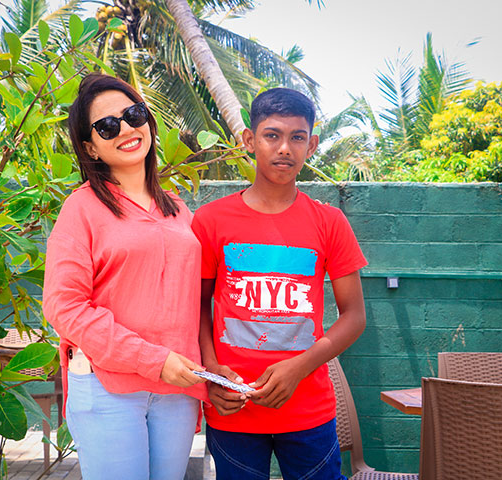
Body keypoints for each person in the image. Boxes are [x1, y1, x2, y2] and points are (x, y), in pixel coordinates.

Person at [191, 87, 368, 480]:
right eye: (272, 135)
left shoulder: (329, 222)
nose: (285, 148)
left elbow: (355, 316)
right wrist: (211, 369)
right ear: (249, 140)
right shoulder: (210, 221)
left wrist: (300, 367)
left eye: (297, 137)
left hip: (308, 410)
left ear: (312, 145)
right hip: (233, 408)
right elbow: (197, 306)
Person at [42, 73, 207, 480]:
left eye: (133, 115)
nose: (126, 129)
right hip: (108, 387)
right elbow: (64, 306)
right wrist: (153, 360)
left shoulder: (179, 211)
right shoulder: (81, 209)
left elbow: (199, 299)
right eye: (107, 126)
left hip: (177, 388)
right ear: (90, 147)